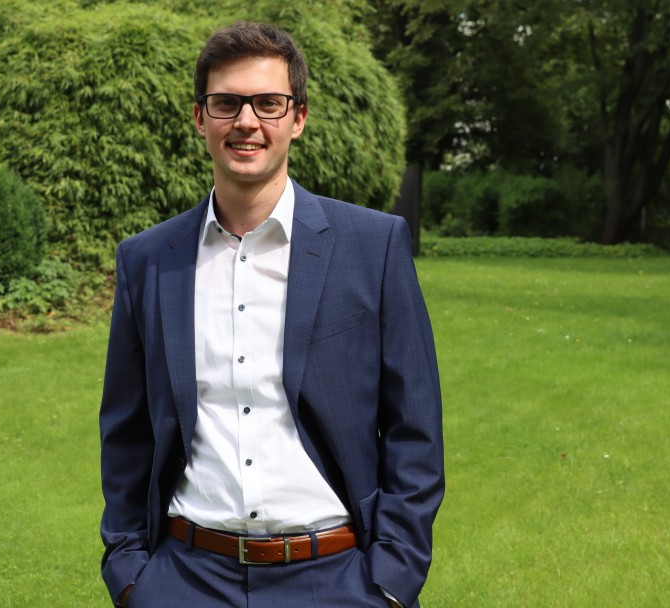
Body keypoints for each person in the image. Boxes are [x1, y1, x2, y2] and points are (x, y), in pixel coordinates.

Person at [99, 21, 444, 608]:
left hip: (337, 579)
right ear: (200, 118)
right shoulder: (148, 260)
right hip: (184, 580)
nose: (247, 121)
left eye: (269, 103)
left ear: (298, 118)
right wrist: (131, 573)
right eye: (226, 103)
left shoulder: (374, 245)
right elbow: (127, 432)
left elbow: (415, 427)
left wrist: (390, 580)